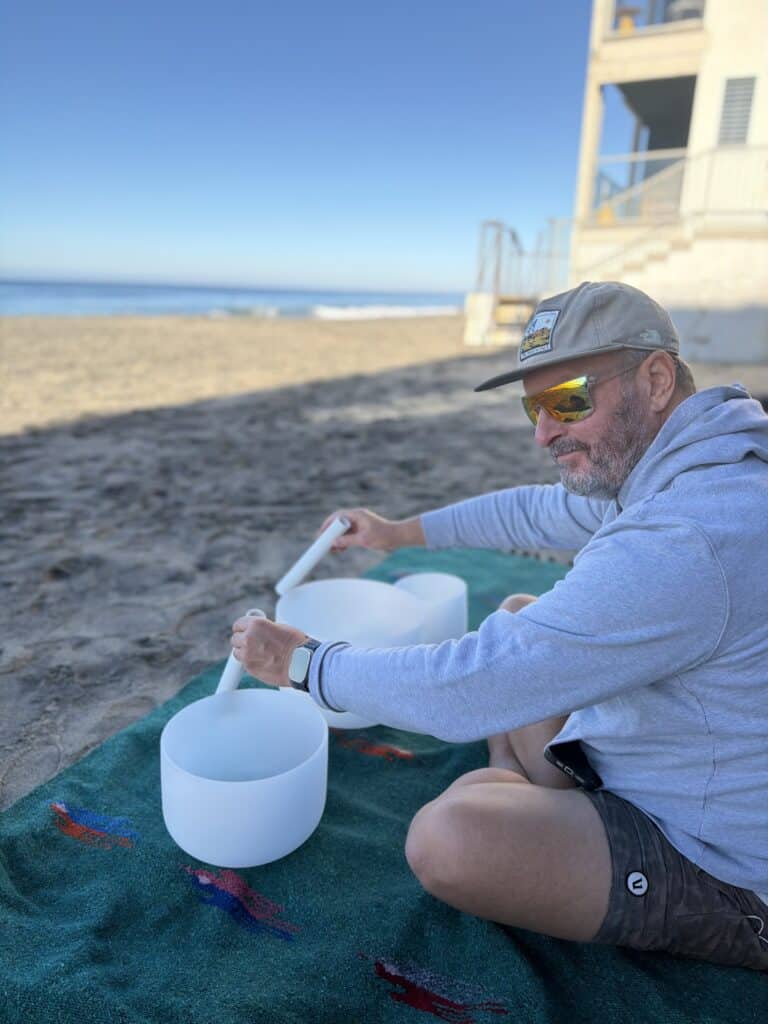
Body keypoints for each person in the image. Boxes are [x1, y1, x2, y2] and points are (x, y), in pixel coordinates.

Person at [231, 281, 768, 971]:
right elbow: (534, 514)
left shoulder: (689, 533)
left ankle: (513, 784)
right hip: (675, 754)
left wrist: (306, 666)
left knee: (448, 839)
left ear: (657, 379)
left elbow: (472, 685)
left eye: (569, 399)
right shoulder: (682, 464)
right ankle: (519, 783)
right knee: (519, 610)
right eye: (533, 406)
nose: (544, 432)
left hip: (723, 861)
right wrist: (398, 533)